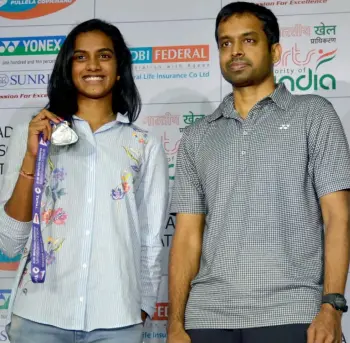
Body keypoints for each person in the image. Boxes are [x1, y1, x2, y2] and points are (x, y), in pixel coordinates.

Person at [167, 2, 350, 343]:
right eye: (225, 42)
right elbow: (187, 237)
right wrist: (175, 324)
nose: (235, 51)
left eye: (248, 40)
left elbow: (338, 218)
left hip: (292, 310)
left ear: (276, 50)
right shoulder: (197, 136)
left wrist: (331, 306)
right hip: (208, 316)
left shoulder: (314, 115)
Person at [0, 18, 169, 343]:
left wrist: (143, 307)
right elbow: (9, 243)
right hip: (39, 315)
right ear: (68, 67)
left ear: (120, 68)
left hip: (117, 320)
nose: (92, 64)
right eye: (81, 56)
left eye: (104, 55)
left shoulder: (144, 145)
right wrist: (32, 158)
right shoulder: (34, 134)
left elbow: (150, 238)